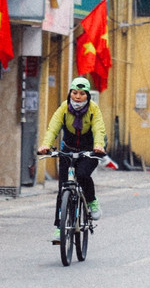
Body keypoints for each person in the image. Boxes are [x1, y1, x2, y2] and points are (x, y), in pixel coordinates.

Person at [37, 76, 106, 244]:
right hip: (68, 150)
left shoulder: (93, 109)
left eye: (82, 93)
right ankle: (59, 227)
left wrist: (98, 146)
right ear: (70, 94)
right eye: (74, 93)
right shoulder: (64, 108)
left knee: (82, 175)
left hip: (89, 151)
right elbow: (53, 127)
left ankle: (91, 201)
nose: (77, 96)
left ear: (87, 96)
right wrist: (46, 145)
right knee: (63, 190)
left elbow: (98, 128)